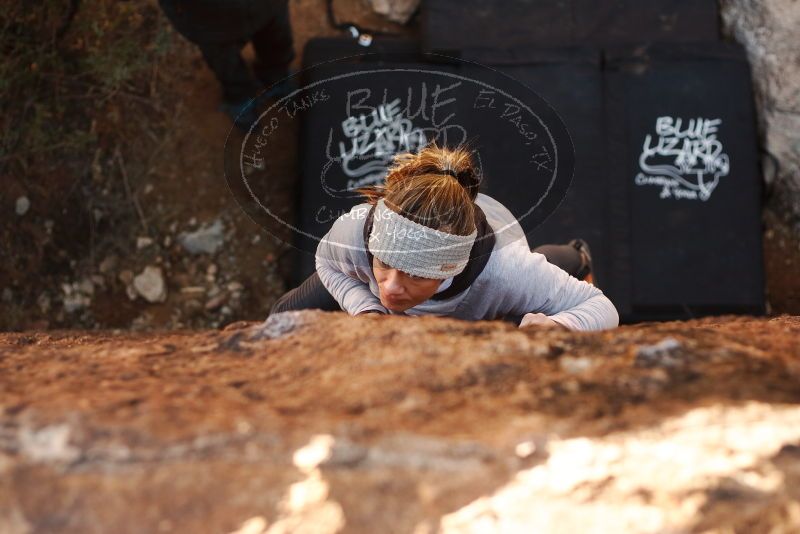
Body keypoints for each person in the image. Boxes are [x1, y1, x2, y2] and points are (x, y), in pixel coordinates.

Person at [271, 144, 619, 331]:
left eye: (416, 274)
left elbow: (601, 307)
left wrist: (559, 325)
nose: (390, 287)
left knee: (545, 285)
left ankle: (577, 258)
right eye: (385, 264)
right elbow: (326, 261)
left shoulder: (505, 269)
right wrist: (367, 309)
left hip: (492, 272)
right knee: (282, 316)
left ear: (449, 268)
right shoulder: (357, 229)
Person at [158, 0, 295, 128]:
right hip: (209, 19)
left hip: (268, 6)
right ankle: (239, 96)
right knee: (226, 63)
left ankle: (276, 77)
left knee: (277, 41)